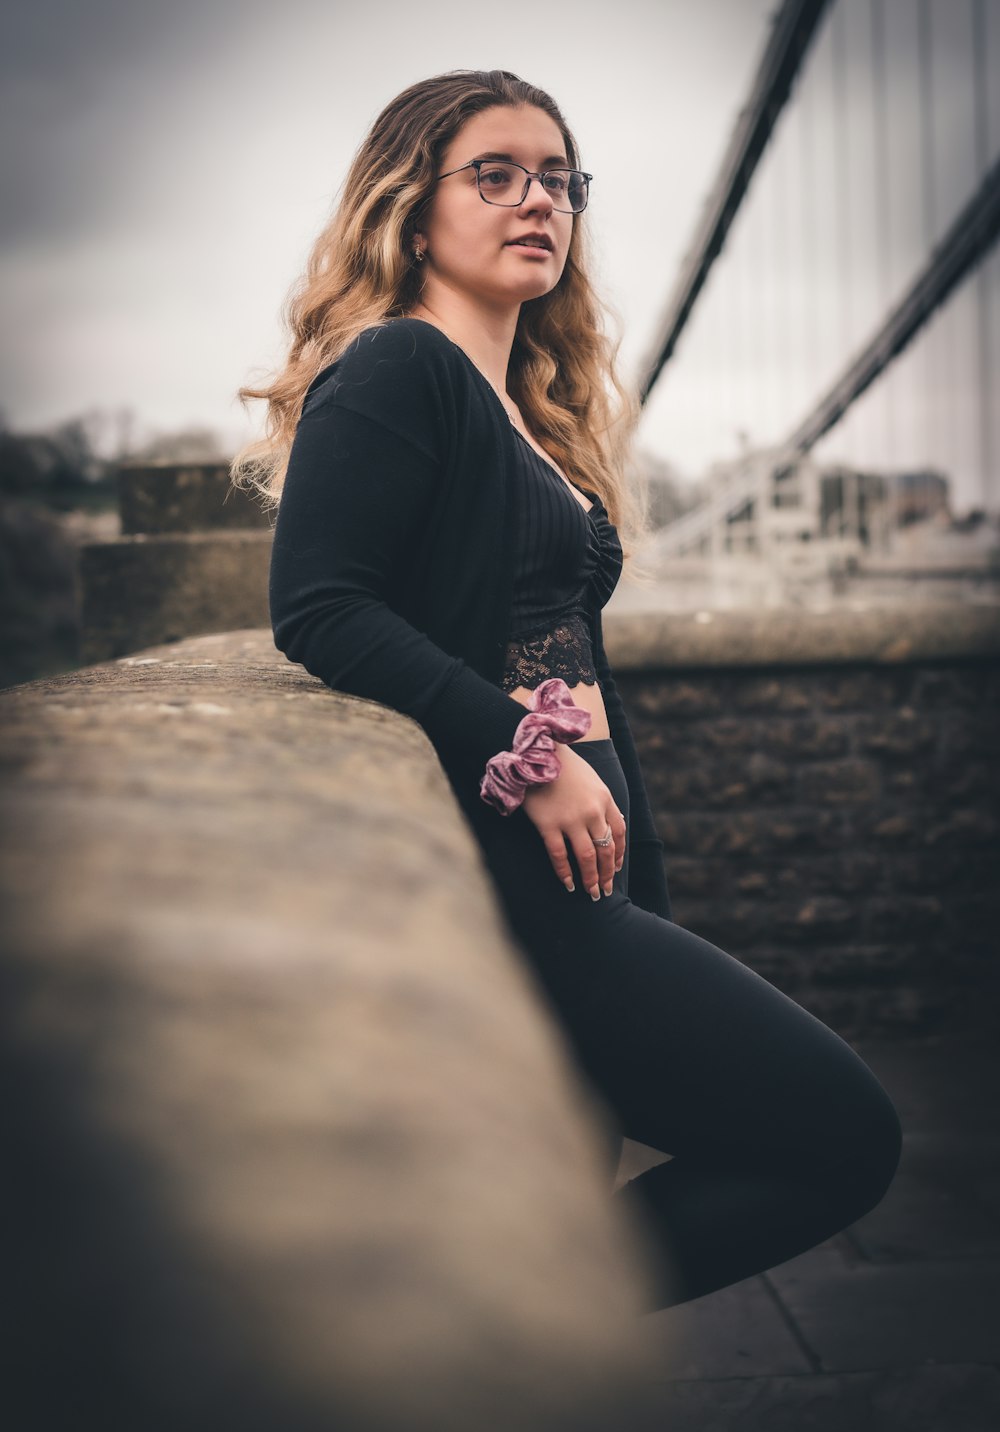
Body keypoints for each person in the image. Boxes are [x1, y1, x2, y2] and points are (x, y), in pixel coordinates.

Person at [232, 69, 902, 1312]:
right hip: (506, 885)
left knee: (574, 1173)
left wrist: (639, 864)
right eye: (495, 172)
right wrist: (527, 760)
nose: (537, 198)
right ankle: (503, 1323)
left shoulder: (523, 410)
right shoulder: (398, 368)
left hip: (587, 880)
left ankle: (497, 1354)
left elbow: (570, 665)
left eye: (558, 178)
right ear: (409, 206)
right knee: (843, 1140)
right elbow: (322, 610)